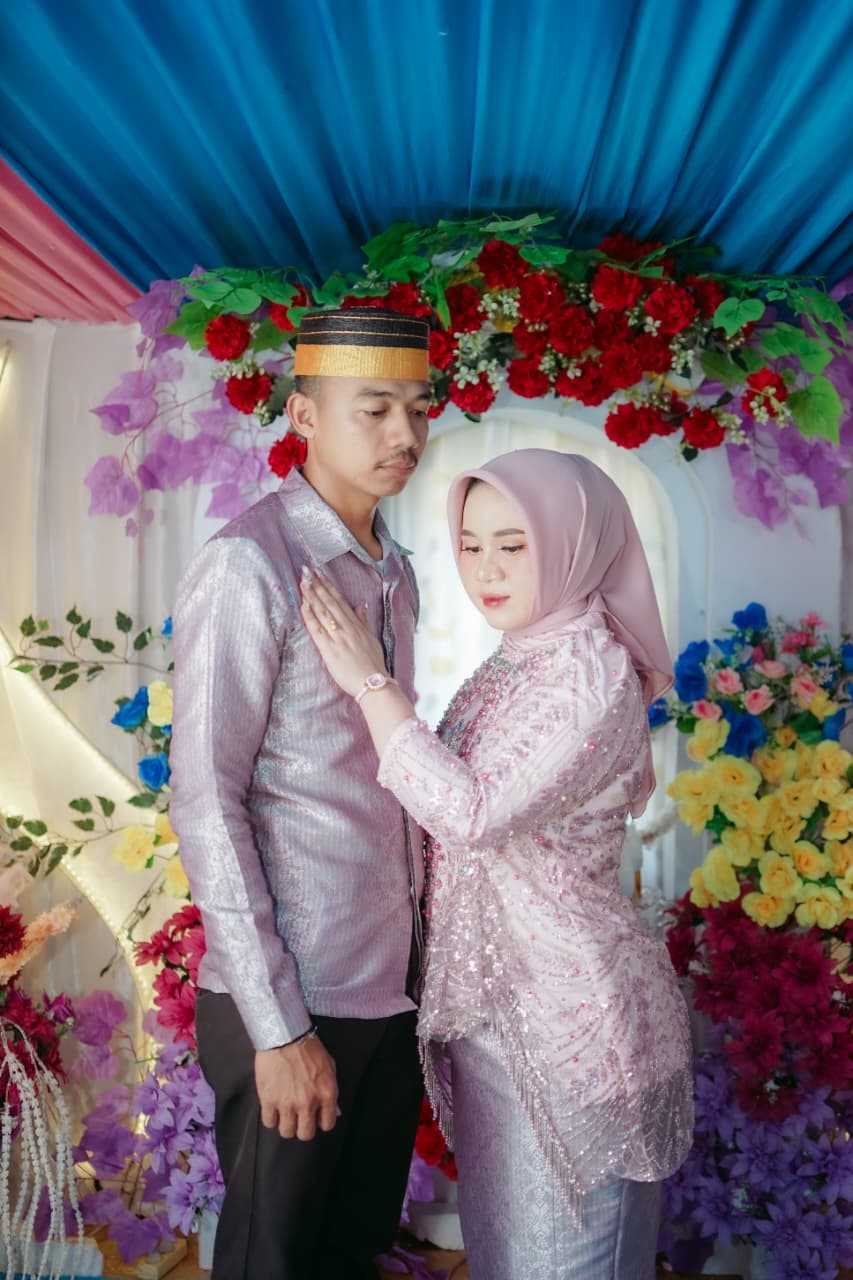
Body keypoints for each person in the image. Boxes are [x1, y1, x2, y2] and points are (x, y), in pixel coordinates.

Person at [301, 448, 694, 1280]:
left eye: (513, 545)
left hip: (568, 1024)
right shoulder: (519, 655)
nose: (485, 569)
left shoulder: (589, 674)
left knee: (563, 1260)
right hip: (493, 1010)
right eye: (470, 544)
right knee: (509, 1255)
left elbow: (472, 814)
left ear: (572, 544)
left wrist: (371, 685)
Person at [169, 308, 432, 1280]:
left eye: (419, 408)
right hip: (295, 994)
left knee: (351, 1253)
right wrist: (277, 1027)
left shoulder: (394, 571)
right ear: (304, 415)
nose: (404, 432)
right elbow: (207, 798)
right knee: (270, 1262)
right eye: (375, 408)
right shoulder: (251, 561)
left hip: (387, 986)